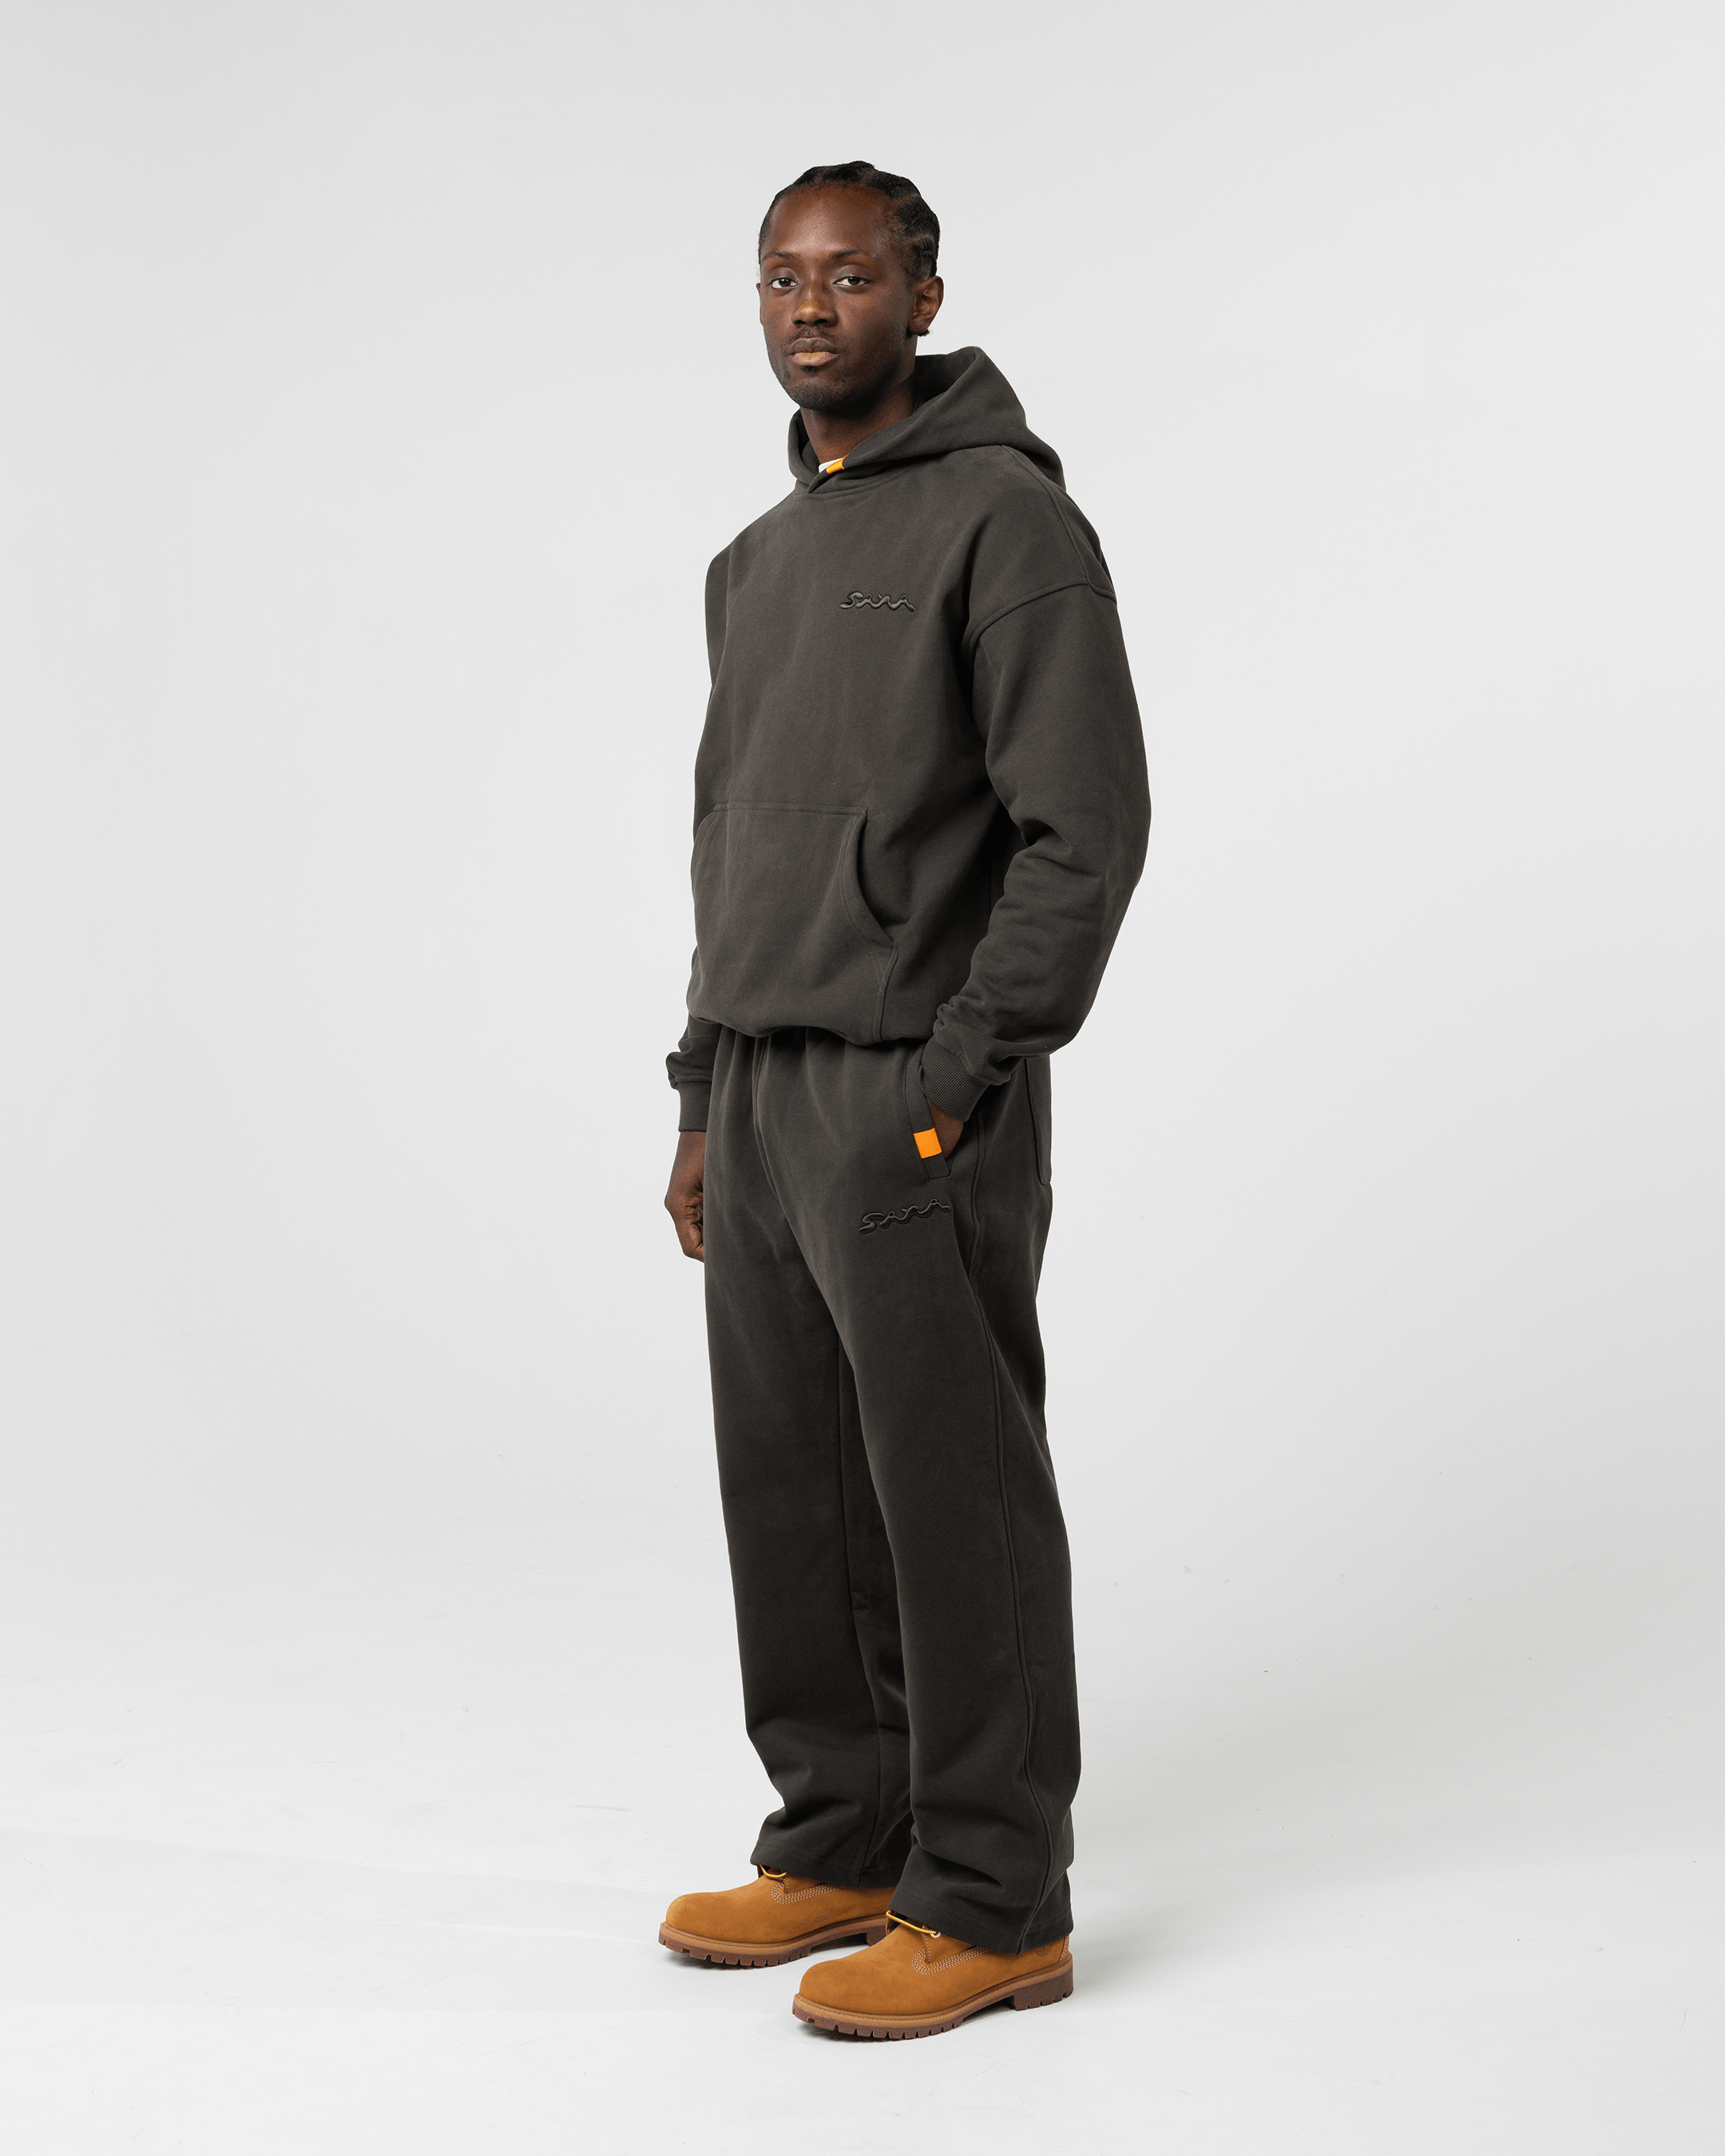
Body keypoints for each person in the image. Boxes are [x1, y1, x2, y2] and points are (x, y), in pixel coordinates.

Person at [658, 161, 1150, 2040]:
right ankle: (844, 1838)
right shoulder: (752, 564)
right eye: (782, 276)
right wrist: (701, 1092)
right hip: (763, 1088)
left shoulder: (1011, 525)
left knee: (953, 1493)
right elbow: (729, 846)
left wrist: (957, 1076)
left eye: (851, 275)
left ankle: (995, 1897)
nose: (811, 306)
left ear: (925, 298)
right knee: (791, 1492)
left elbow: (1082, 830)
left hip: (909, 1091)